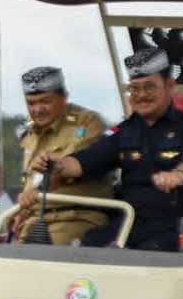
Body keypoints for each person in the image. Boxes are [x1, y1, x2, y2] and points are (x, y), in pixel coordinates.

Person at [31, 47, 183, 251]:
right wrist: (57, 164)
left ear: (169, 86)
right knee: (84, 251)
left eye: (149, 87)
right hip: (127, 223)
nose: (141, 95)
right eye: (135, 88)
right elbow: (85, 161)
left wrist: (177, 175)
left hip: (170, 227)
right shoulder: (123, 132)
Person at [14, 66, 113, 245]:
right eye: (31, 103)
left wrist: (34, 193)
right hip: (36, 220)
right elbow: (29, 181)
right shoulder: (30, 133)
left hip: (75, 218)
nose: (37, 109)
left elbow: (71, 168)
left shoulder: (87, 123)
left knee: (38, 262)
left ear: (63, 97)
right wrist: (20, 211)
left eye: (45, 101)